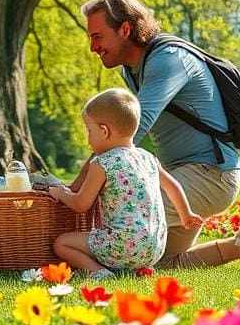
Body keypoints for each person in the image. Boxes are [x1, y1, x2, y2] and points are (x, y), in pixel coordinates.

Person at [79, 0, 240, 270]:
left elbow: (131, 131)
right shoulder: (131, 69)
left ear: (125, 29)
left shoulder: (168, 59)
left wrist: (79, 187)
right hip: (180, 177)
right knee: (156, 261)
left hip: (210, 176)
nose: (92, 46)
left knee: (122, 230)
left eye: (98, 36)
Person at [49, 89, 203, 279]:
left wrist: (60, 193)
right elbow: (173, 186)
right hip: (155, 248)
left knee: (61, 243)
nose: (88, 138)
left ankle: (98, 272)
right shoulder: (147, 158)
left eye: (89, 130)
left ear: (104, 131)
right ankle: (133, 268)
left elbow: (81, 204)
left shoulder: (102, 163)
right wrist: (185, 214)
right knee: (110, 237)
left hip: (124, 246)